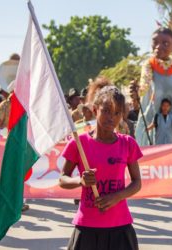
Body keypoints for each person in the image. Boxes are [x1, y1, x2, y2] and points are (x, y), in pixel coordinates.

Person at [59, 85, 142, 250]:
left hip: (120, 227)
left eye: (117, 113)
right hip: (87, 228)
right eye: (106, 111)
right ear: (95, 110)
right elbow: (62, 179)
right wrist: (80, 181)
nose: (111, 117)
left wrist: (117, 197)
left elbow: (137, 182)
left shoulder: (128, 143)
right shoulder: (79, 143)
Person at [135, 27, 172, 146]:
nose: (158, 46)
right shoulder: (149, 64)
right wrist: (137, 91)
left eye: (165, 43)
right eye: (155, 42)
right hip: (153, 110)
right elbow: (144, 85)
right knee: (152, 138)